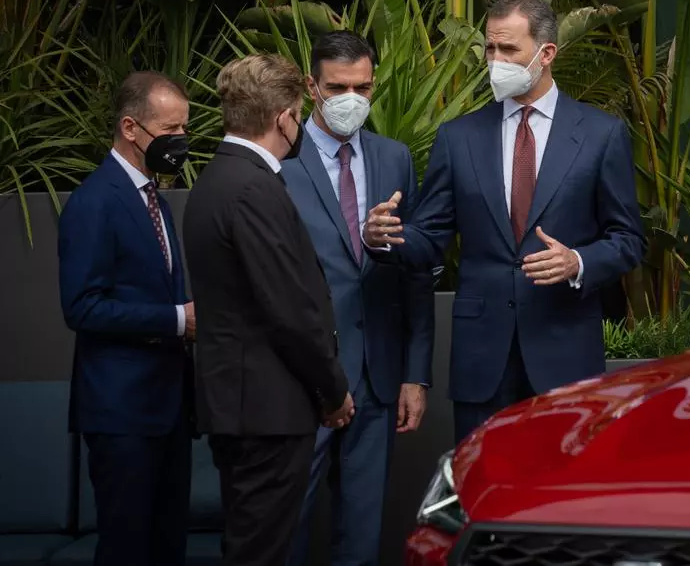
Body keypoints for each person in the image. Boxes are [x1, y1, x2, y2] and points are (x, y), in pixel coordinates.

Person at [363, 0, 644, 444]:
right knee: (482, 478)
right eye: (490, 48)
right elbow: (430, 237)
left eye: (509, 49)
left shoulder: (601, 134)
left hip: (565, 353)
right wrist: (383, 237)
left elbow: (628, 239)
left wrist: (577, 261)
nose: (495, 60)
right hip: (482, 358)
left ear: (546, 53)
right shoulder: (459, 137)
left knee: (561, 482)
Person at [182, 54, 354, 566]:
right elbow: (290, 309)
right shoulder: (253, 187)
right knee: (261, 551)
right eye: (298, 115)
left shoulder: (217, 179)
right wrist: (333, 390)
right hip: (266, 411)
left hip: (240, 405)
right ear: (284, 117)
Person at [282, 31, 434, 566]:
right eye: (337, 88)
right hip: (302, 378)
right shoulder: (278, 160)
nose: (352, 99)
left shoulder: (395, 157)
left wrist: (415, 374)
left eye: (363, 88)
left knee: (363, 537)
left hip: (376, 376)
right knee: (286, 531)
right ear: (311, 87)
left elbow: (416, 273)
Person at [57, 70, 195, 566]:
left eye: (184, 127)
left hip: (169, 409)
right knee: (127, 549)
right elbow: (82, 306)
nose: (180, 140)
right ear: (131, 128)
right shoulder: (94, 201)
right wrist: (177, 319)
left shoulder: (153, 197)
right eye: (170, 129)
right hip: (122, 414)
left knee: (167, 546)